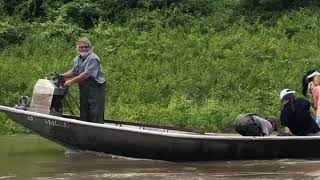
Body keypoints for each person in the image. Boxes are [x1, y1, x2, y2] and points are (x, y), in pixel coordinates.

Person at [62, 37, 105, 124]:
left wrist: (71, 82)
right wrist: (61, 76)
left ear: (90, 47)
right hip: (84, 89)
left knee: (95, 112)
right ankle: (85, 131)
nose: (84, 49)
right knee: (84, 111)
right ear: (78, 48)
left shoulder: (93, 58)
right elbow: (74, 71)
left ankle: (97, 132)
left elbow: (85, 75)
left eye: (86, 47)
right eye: (81, 47)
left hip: (95, 89)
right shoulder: (77, 59)